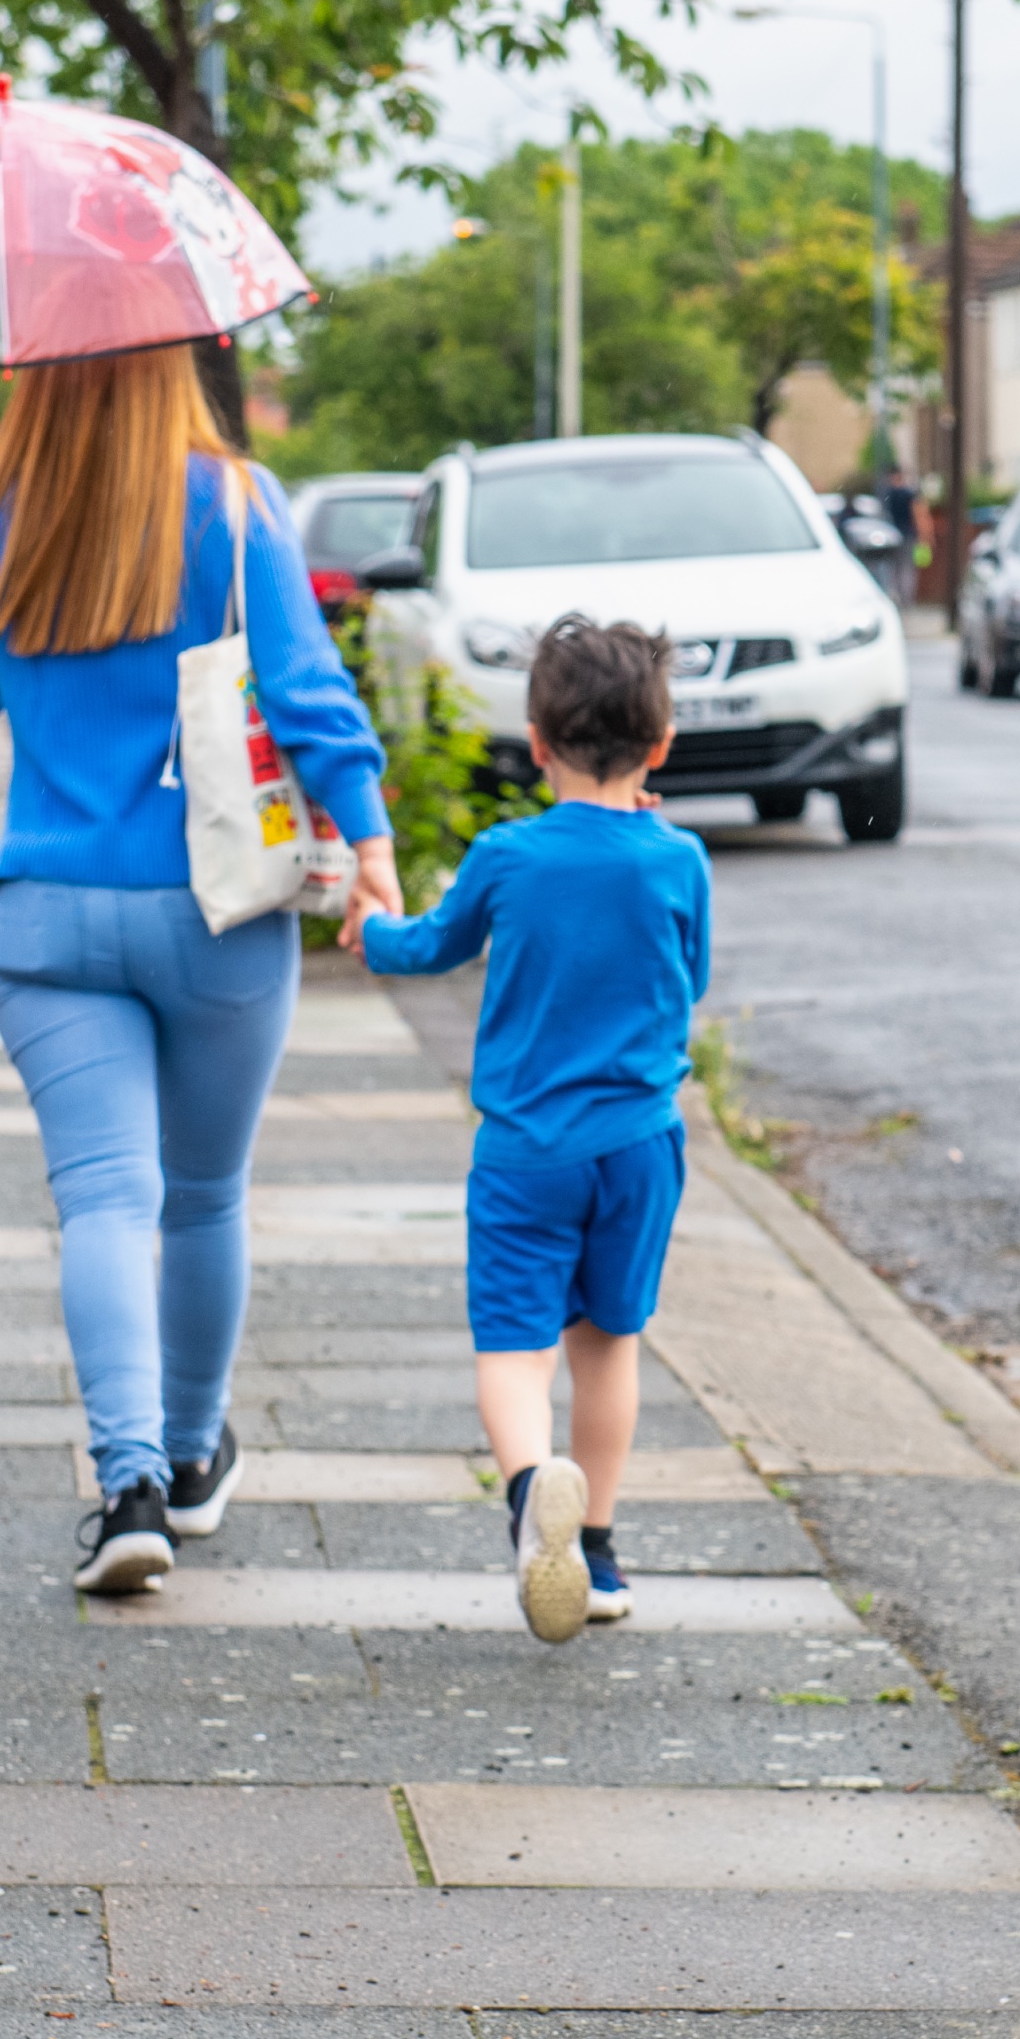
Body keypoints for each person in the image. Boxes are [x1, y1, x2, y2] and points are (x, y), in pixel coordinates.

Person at [0, 343, 400, 1595]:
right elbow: (304, 689)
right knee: (205, 1195)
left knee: (105, 1202)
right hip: (215, 909)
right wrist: (373, 832)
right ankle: (190, 1458)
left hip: (48, 925)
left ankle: (123, 1482)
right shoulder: (233, 501)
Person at [358, 619, 713, 1642]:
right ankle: (595, 1548)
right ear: (661, 745)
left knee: (515, 1353)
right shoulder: (678, 860)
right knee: (609, 1344)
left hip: (525, 1154)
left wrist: (369, 929)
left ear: (534, 739)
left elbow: (427, 949)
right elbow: (688, 982)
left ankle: (529, 1496)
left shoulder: (507, 856)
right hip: (640, 1146)